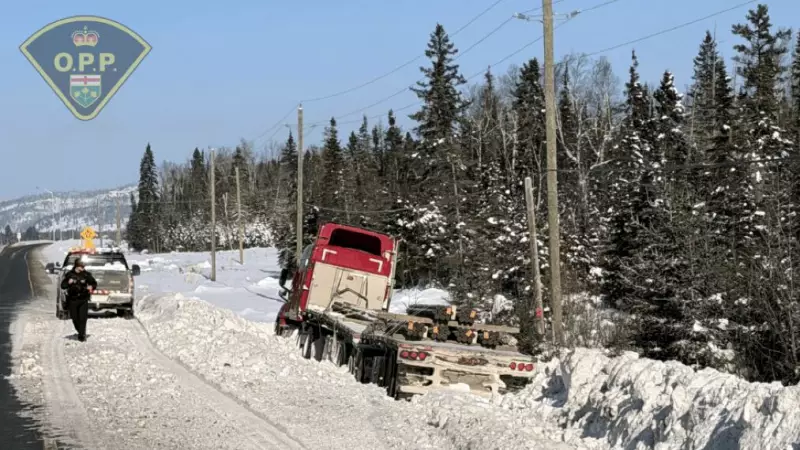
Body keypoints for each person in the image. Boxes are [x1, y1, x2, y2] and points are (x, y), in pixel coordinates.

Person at [60, 258, 97, 341]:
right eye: (81, 266)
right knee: (75, 318)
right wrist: (68, 282)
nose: (83, 268)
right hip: (73, 300)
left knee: (83, 318)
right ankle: (80, 330)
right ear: (77, 266)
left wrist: (91, 286)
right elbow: (63, 285)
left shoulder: (86, 275)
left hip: (83, 299)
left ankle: (81, 335)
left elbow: (94, 283)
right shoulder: (69, 274)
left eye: (84, 266)